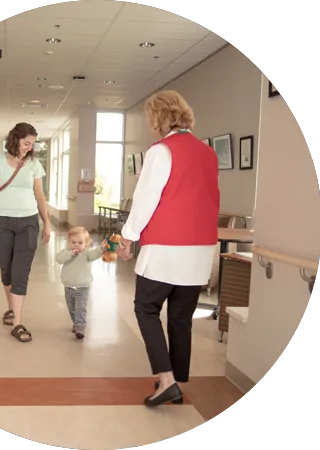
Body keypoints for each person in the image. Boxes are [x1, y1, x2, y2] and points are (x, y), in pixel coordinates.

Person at [116, 90, 220, 407]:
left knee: (146, 309)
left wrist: (127, 236)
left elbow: (146, 198)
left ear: (158, 119)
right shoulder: (208, 153)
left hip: (166, 247)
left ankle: (167, 379)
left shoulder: (162, 152)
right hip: (201, 249)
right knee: (180, 317)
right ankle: (176, 381)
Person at [0, 122, 51, 343]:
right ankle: (11, 309)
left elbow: (40, 196)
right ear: (15, 139)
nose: (29, 148)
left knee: (21, 271)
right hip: (1, 222)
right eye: (26, 143)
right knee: (7, 270)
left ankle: (18, 322)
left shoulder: (34, 164)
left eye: (32, 144)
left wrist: (47, 222)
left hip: (29, 222)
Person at [55, 226, 107, 339]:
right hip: (68, 287)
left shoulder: (86, 254)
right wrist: (71, 253)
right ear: (69, 242)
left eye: (80, 242)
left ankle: (80, 326)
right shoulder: (66, 253)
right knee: (71, 308)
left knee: (80, 307)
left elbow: (95, 254)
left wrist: (101, 248)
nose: (76, 245)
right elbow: (59, 259)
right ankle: (76, 322)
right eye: (73, 242)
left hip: (83, 287)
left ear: (86, 243)